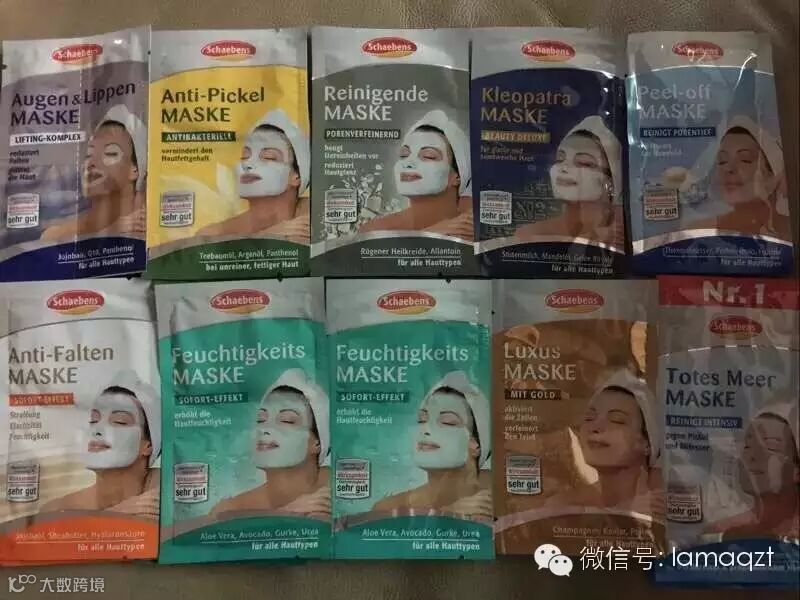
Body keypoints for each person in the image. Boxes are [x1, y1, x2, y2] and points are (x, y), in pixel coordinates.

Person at [372, 371, 491, 522]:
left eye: (447, 422)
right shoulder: (389, 510)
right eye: (422, 420)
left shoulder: (502, 494)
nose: (426, 429)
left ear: (476, 445)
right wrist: (445, 516)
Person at [210, 369, 330, 519]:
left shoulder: (339, 490)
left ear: (317, 443)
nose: (265, 429)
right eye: (261, 420)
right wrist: (283, 513)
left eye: (286, 420)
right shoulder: (230, 509)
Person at [41, 371, 160, 520]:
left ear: (148, 445)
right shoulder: (57, 510)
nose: (97, 429)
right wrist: (114, 515)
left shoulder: (164, 493)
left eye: (119, 421)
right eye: (93, 420)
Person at [545, 372, 659, 514]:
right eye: (589, 418)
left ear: (646, 442)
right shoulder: (561, 507)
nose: (595, 427)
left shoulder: (667, 504)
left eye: (616, 419)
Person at [197, 109, 310, 243]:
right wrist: (263, 237)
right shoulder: (211, 235)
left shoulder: (314, 216)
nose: (248, 164)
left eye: (268, 157)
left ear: (296, 177)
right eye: (245, 157)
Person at [359, 110, 474, 241]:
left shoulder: (474, 225)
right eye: (404, 155)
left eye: (428, 156)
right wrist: (430, 234)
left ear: (457, 176)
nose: (408, 163)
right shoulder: (375, 231)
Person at [41, 105, 147, 242]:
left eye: (110, 153)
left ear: (135, 170)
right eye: (89, 154)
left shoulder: (148, 221)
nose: (91, 163)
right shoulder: (58, 233)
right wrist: (111, 231)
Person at [515, 116, 624, 248]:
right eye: (560, 159)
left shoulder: (625, 234)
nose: (564, 168)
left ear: (611, 182)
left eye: (584, 162)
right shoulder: (529, 235)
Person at [705, 402, 799, 541]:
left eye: (770, 446)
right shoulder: (723, 534)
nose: (752, 456)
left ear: (797, 471)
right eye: (747, 447)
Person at [691, 116, 790, 238]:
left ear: (772, 173)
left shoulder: (789, 233)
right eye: (722, 161)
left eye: (745, 159)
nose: (728, 168)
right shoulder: (698, 231)